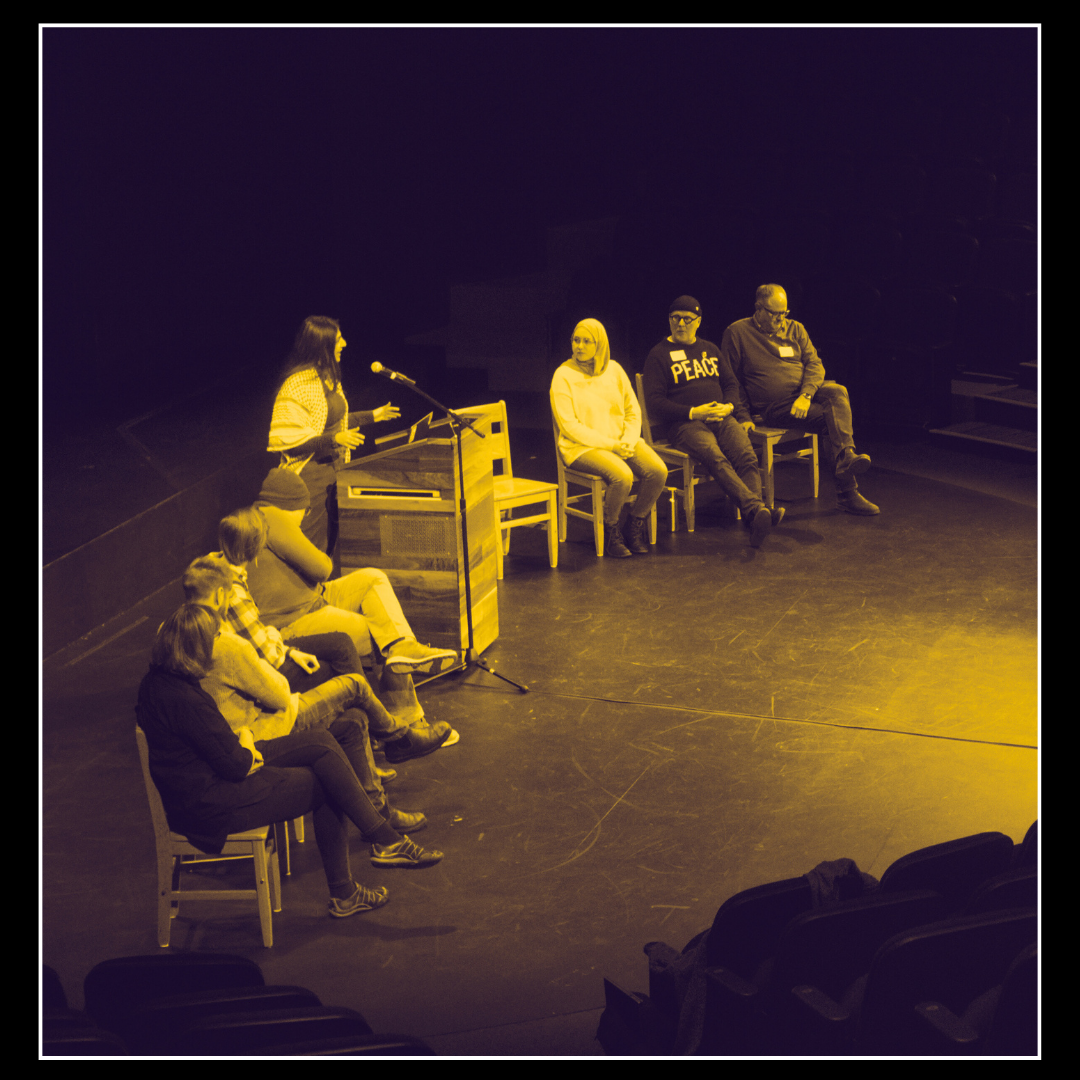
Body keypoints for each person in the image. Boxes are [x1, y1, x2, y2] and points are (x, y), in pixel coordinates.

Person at [136, 604, 444, 920]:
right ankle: (351, 885)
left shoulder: (156, 683)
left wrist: (240, 741)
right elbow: (236, 764)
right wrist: (243, 740)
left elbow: (214, 748)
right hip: (213, 803)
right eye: (213, 640)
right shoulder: (187, 700)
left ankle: (384, 841)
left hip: (205, 782)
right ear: (195, 649)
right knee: (327, 782)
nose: (217, 648)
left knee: (329, 738)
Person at [181, 555, 431, 831]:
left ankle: (380, 811)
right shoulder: (225, 643)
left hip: (226, 738)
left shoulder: (176, 634)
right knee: (355, 685)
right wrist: (275, 641)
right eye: (228, 596)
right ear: (219, 596)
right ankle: (399, 737)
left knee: (355, 718)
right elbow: (277, 693)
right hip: (258, 732)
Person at [246, 467, 460, 685]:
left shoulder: (257, 519)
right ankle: (407, 713)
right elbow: (322, 568)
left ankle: (404, 645)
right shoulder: (271, 516)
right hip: (294, 620)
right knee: (379, 632)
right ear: (290, 504)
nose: (304, 516)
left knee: (372, 578)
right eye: (305, 509)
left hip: (313, 600)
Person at [721, 285, 879, 515]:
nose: (780, 319)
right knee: (831, 422)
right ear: (758, 308)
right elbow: (731, 380)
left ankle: (846, 455)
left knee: (838, 391)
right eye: (774, 313)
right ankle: (848, 492)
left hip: (803, 396)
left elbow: (815, 364)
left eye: (784, 313)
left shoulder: (795, 328)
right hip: (773, 406)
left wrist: (806, 395)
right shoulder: (737, 332)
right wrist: (743, 416)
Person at [642, 296, 784, 548]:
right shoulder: (658, 354)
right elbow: (654, 402)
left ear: (698, 322)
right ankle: (756, 509)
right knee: (714, 456)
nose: (681, 324)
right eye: (676, 318)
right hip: (685, 425)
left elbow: (730, 383)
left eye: (687, 319)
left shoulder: (709, 349)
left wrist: (729, 406)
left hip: (720, 416)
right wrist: (693, 412)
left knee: (747, 455)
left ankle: (756, 516)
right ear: (669, 320)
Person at [268, 315, 402, 556]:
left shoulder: (328, 379)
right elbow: (288, 443)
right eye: (339, 340)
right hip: (310, 480)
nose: (345, 344)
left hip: (334, 472)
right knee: (310, 547)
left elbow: (330, 424)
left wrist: (373, 415)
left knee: (330, 545)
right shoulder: (297, 385)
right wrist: (334, 440)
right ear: (323, 345)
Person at [551, 319, 668, 558]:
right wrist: (612, 445)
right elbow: (570, 426)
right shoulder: (563, 375)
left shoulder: (614, 369)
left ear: (600, 344)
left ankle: (633, 525)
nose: (579, 346)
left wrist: (628, 439)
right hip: (581, 448)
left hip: (620, 440)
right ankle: (609, 528)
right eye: (576, 340)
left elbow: (632, 410)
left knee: (658, 471)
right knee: (622, 475)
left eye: (586, 341)